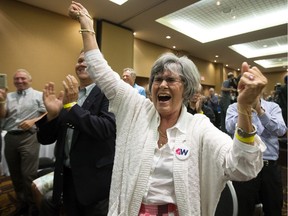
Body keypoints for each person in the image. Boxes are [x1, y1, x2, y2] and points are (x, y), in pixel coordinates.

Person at [68, 2, 267, 215]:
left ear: (186, 88)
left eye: (171, 79)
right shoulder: (136, 109)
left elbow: (243, 167)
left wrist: (244, 108)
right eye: (157, 79)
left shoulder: (198, 128)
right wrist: (87, 26)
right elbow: (101, 71)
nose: (162, 85)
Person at [35, 50, 116, 216]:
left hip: (94, 183)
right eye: (79, 60)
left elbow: (105, 129)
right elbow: (45, 139)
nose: (82, 64)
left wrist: (72, 107)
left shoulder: (109, 93)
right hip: (67, 178)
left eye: (87, 60)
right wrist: (51, 116)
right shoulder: (69, 96)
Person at [226, 89, 287, 216]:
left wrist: (260, 112)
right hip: (244, 166)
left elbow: (281, 130)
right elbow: (230, 127)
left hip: (269, 166)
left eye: (255, 88)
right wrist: (244, 109)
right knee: (242, 209)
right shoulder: (233, 107)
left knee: (274, 207)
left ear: (261, 90)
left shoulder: (272, 107)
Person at [0, 69, 47, 216]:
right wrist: (1, 101)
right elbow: (3, 114)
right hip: (10, 137)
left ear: (30, 80)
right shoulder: (7, 96)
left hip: (29, 137)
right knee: (15, 174)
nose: (19, 81)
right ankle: (22, 203)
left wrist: (33, 121)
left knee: (28, 175)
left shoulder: (39, 95)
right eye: (16, 79)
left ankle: (33, 207)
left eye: (23, 78)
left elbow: (48, 112)